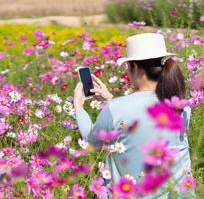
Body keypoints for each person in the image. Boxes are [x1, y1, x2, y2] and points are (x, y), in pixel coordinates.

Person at [74, 33, 193, 198]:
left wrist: (79, 107)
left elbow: (91, 144)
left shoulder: (116, 109)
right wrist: (111, 99)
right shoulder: (182, 107)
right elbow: (144, 114)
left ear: (136, 68)